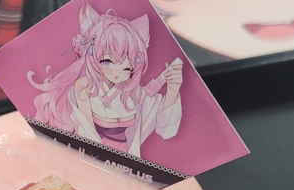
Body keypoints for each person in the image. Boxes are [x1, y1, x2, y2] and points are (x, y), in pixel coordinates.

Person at [28, 2, 183, 157]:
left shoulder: (129, 89)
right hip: (91, 157)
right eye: (107, 62)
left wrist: (173, 90)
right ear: (92, 55)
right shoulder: (84, 86)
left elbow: (165, 128)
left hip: (126, 161)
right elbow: (86, 130)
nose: (117, 72)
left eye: (127, 67)